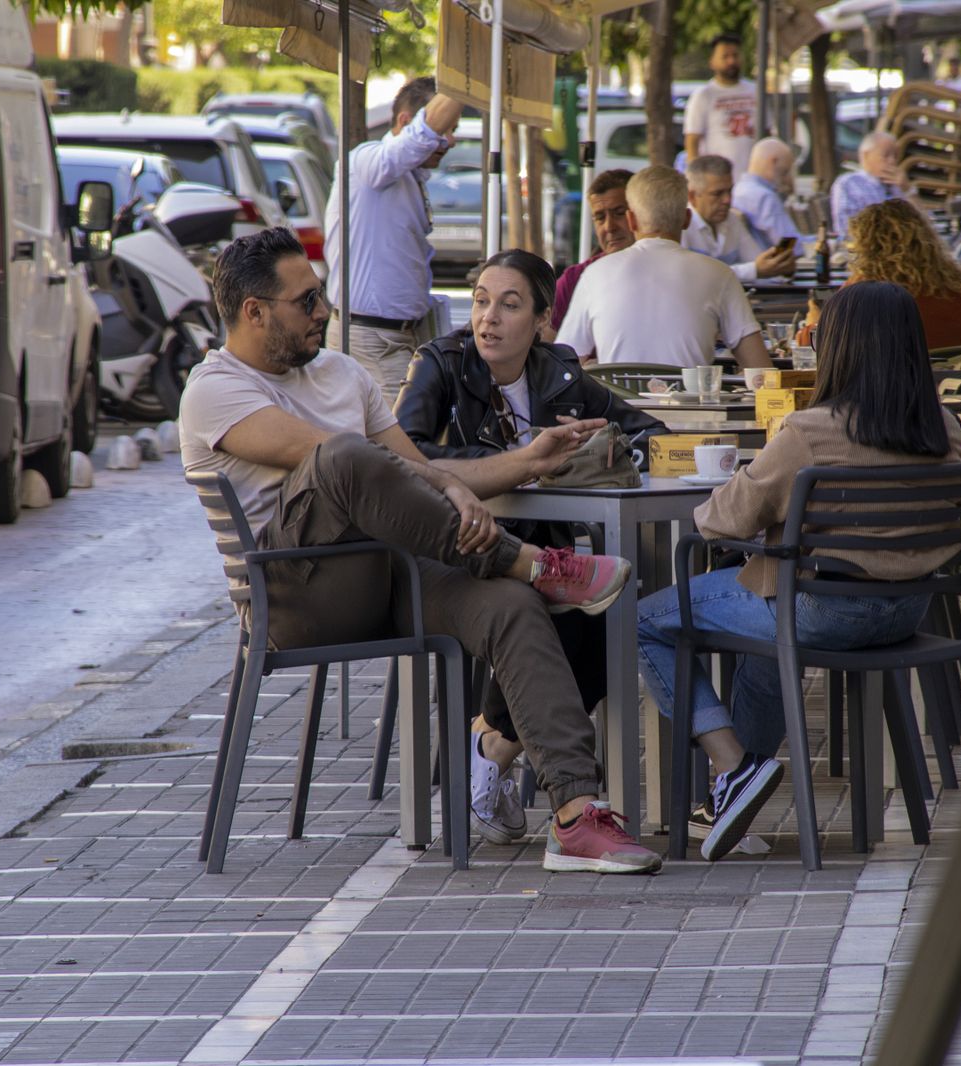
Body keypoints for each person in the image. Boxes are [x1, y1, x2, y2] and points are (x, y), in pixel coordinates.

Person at [180, 228, 662, 875]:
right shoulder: (214, 388)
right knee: (342, 454)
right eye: (308, 301)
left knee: (512, 607)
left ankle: (576, 814)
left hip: (392, 575)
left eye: (321, 296)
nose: (324, 311)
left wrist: (520, 462)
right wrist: (443, 484)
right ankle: (532, 561)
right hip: (299, 597)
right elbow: (340, 460)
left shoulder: (344, 373)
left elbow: (416, 467)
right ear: (254, 312)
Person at [635, 281, 961, 861]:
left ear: (839, 348)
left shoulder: (810, 431)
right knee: (764, 635)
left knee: (642, 620)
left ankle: (731, 762)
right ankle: (729, 799)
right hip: (906, 612)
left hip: (821, 613)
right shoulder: (946, 428)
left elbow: (721, 522)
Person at [394, 249, 667, 845]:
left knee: (615, 613)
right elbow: (405, 457)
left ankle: (491, 741)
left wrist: (603, 456)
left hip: (549, 555)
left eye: (509, 304)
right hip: (462, 549)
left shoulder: (559, 372)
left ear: (543, 320)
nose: (488, 317)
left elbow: (647, 431)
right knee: (563, 608)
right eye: (481, 300)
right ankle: (497, 751)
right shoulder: (439, 362)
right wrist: (516, 466)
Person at [323, 77, 460, 402]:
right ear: (404, 122)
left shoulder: (406, 177)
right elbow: (415, 141)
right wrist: (462, 83)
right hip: (372, 339)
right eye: (446, 129)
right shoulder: (368, 161)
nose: (451, 141)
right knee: (403, 441)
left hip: (397, 336)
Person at [555, 165, 771, 370]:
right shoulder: (721, 274)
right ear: (687, 219)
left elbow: (562, 365)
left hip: (617, 408)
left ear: (632, 220)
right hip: (693, 408)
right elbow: (761, 371)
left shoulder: (593, 275)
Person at [845, 199, 961, 349]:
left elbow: (831, 341)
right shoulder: (955, 283)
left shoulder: (864, 290)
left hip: (900, 371)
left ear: (867, 245)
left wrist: (815, 318)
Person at [548, 169, 635, 336]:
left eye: (619, 213)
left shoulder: (667, 271)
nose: (609, 227)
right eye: (600, 217)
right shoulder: (575, 278)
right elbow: (546, 340)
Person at [683, 155, 795, 283]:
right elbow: (694, 278)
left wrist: (782, 269)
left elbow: (759, 264)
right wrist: (753, 270)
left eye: (730, 191)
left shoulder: (732, 220)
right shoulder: (681, 226)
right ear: (692, 196)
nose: (727, 200)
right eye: (717, 194)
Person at [683, 34, 759, 176]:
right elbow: (692, 141)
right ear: (712, 62)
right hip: (718, 179)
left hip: (752, 177)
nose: (731, 61)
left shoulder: (755, 91)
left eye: (735, 55)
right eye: (725, 56)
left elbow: (767, 133)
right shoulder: (703, 95)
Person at [829, 131, 912, 239]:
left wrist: (908, 190)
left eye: (895, 156)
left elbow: (922, 224)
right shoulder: (849, 183)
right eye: (886, 155)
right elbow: (846, 229)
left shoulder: (899, 185)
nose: (892, 161)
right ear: (866, 155)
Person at [734, 138, 803, 249]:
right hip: (772, 262)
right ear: (773, 161)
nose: (786, 179)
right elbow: (791, 246)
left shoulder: (738, 189)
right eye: (784, 172)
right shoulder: (764, 196)